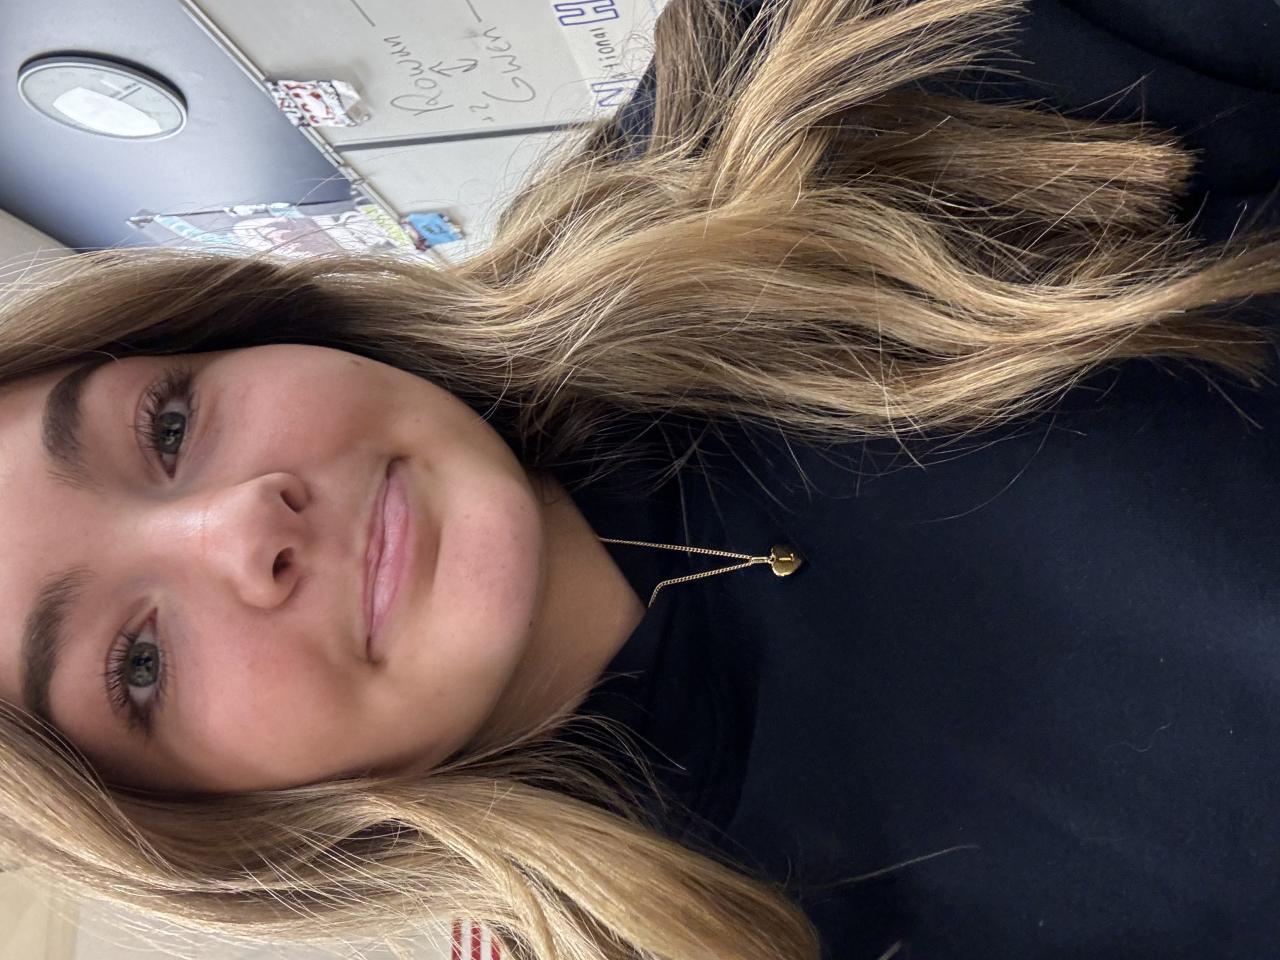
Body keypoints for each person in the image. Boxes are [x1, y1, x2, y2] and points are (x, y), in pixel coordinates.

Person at [1, 0, 1279, 957]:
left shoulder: (795, 84)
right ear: (201, 826)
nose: (240, 522)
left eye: (167, 426)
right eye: (140, 663)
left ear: (229, 333)